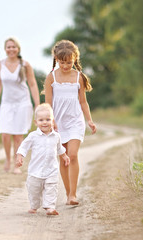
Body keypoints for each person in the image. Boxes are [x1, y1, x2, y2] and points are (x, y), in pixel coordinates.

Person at [44, 40, 97, 205]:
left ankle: (73, 194)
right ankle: (68, 193)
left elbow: (83, 102)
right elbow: (48, 103)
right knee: (64, 158)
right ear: (56, 59)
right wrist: (51, 120)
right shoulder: (51, 77)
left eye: (69, 62)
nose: (65, 65)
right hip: (58, 122)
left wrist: (89, 120)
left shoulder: (78, 77)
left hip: (75, 121)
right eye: (62, 62)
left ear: (75, 59)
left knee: (72, 155)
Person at [0, 37, 40, 174]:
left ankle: (17, 165)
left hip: (23, 103)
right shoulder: (0, 65)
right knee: (5, 133)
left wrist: (37, 104)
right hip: (7, 103)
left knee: (18, 136)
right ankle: (7, 158)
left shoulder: (25, 65)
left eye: (13, 47)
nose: (11, 49)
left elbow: (33, 84)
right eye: (8, 47)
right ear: (5, 49)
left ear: (18, 49)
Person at [16, 103, 70, 215]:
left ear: (52, 121)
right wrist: (20, 156)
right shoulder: (33, 136)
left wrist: (64, 156)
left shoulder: (56, 136)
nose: (44, 122)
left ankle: (50, 207)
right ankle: (34, 206)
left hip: (52, 170)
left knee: (51, 188)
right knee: (34, 190)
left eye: (48, 119)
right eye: (41, 120)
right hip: (35, 171)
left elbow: (59, 148)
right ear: (36, 122)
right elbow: (24, 146)